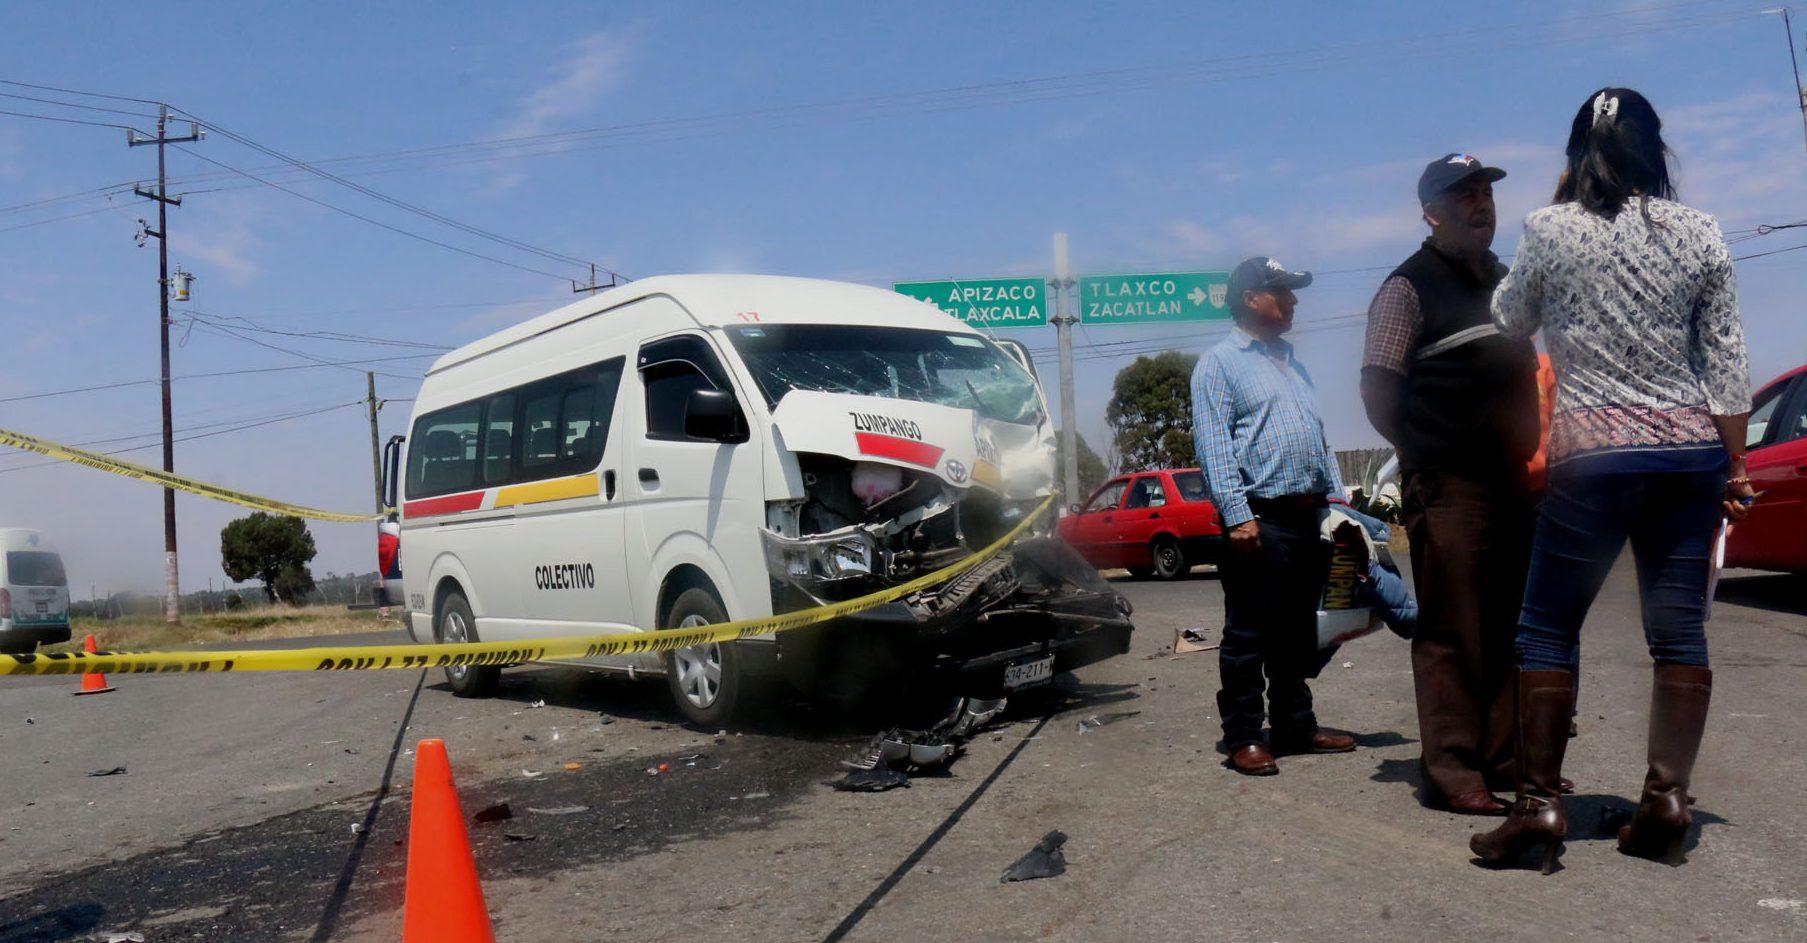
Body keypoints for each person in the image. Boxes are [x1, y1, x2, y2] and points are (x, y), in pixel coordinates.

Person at [1470, 87, 1753, 872]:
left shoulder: (1549, 229)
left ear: (1574, 157)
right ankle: (1665, 800)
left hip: (1593, 455)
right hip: (1685, 455)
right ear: (1654, 151)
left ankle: (1535, 809)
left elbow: (1507, 316)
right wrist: (1731, 463)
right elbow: (1725, 367)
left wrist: (1557, 214)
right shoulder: (1700, 233)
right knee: (1677, 631)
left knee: (1547, 626)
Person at [1360, 153, 1541, 815]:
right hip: (1447, 482)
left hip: (1511, 481)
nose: (1478, 204)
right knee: (1453, 628)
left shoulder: (1506, 281)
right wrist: (1423, 451)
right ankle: (1453, 770)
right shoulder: (1406, 287)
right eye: (1461, 195)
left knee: (1512, 625)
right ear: (1430, 211)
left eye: (1484, 193)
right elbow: (1378, 387)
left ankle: (1507, 760)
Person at [1192, 256, 1358, 776]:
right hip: (1258, 520)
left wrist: (1337, 501)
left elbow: (1318, 435)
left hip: (1308, 517)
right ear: (1250, 298)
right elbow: (1215, 446)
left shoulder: (1292, 360)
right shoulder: (1219, 364)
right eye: (1282, 291)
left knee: (1296, 630)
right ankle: (1243, 735)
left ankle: (1294, 725)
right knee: (1247, 634)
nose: (1293, 301)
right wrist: (1238, 515)